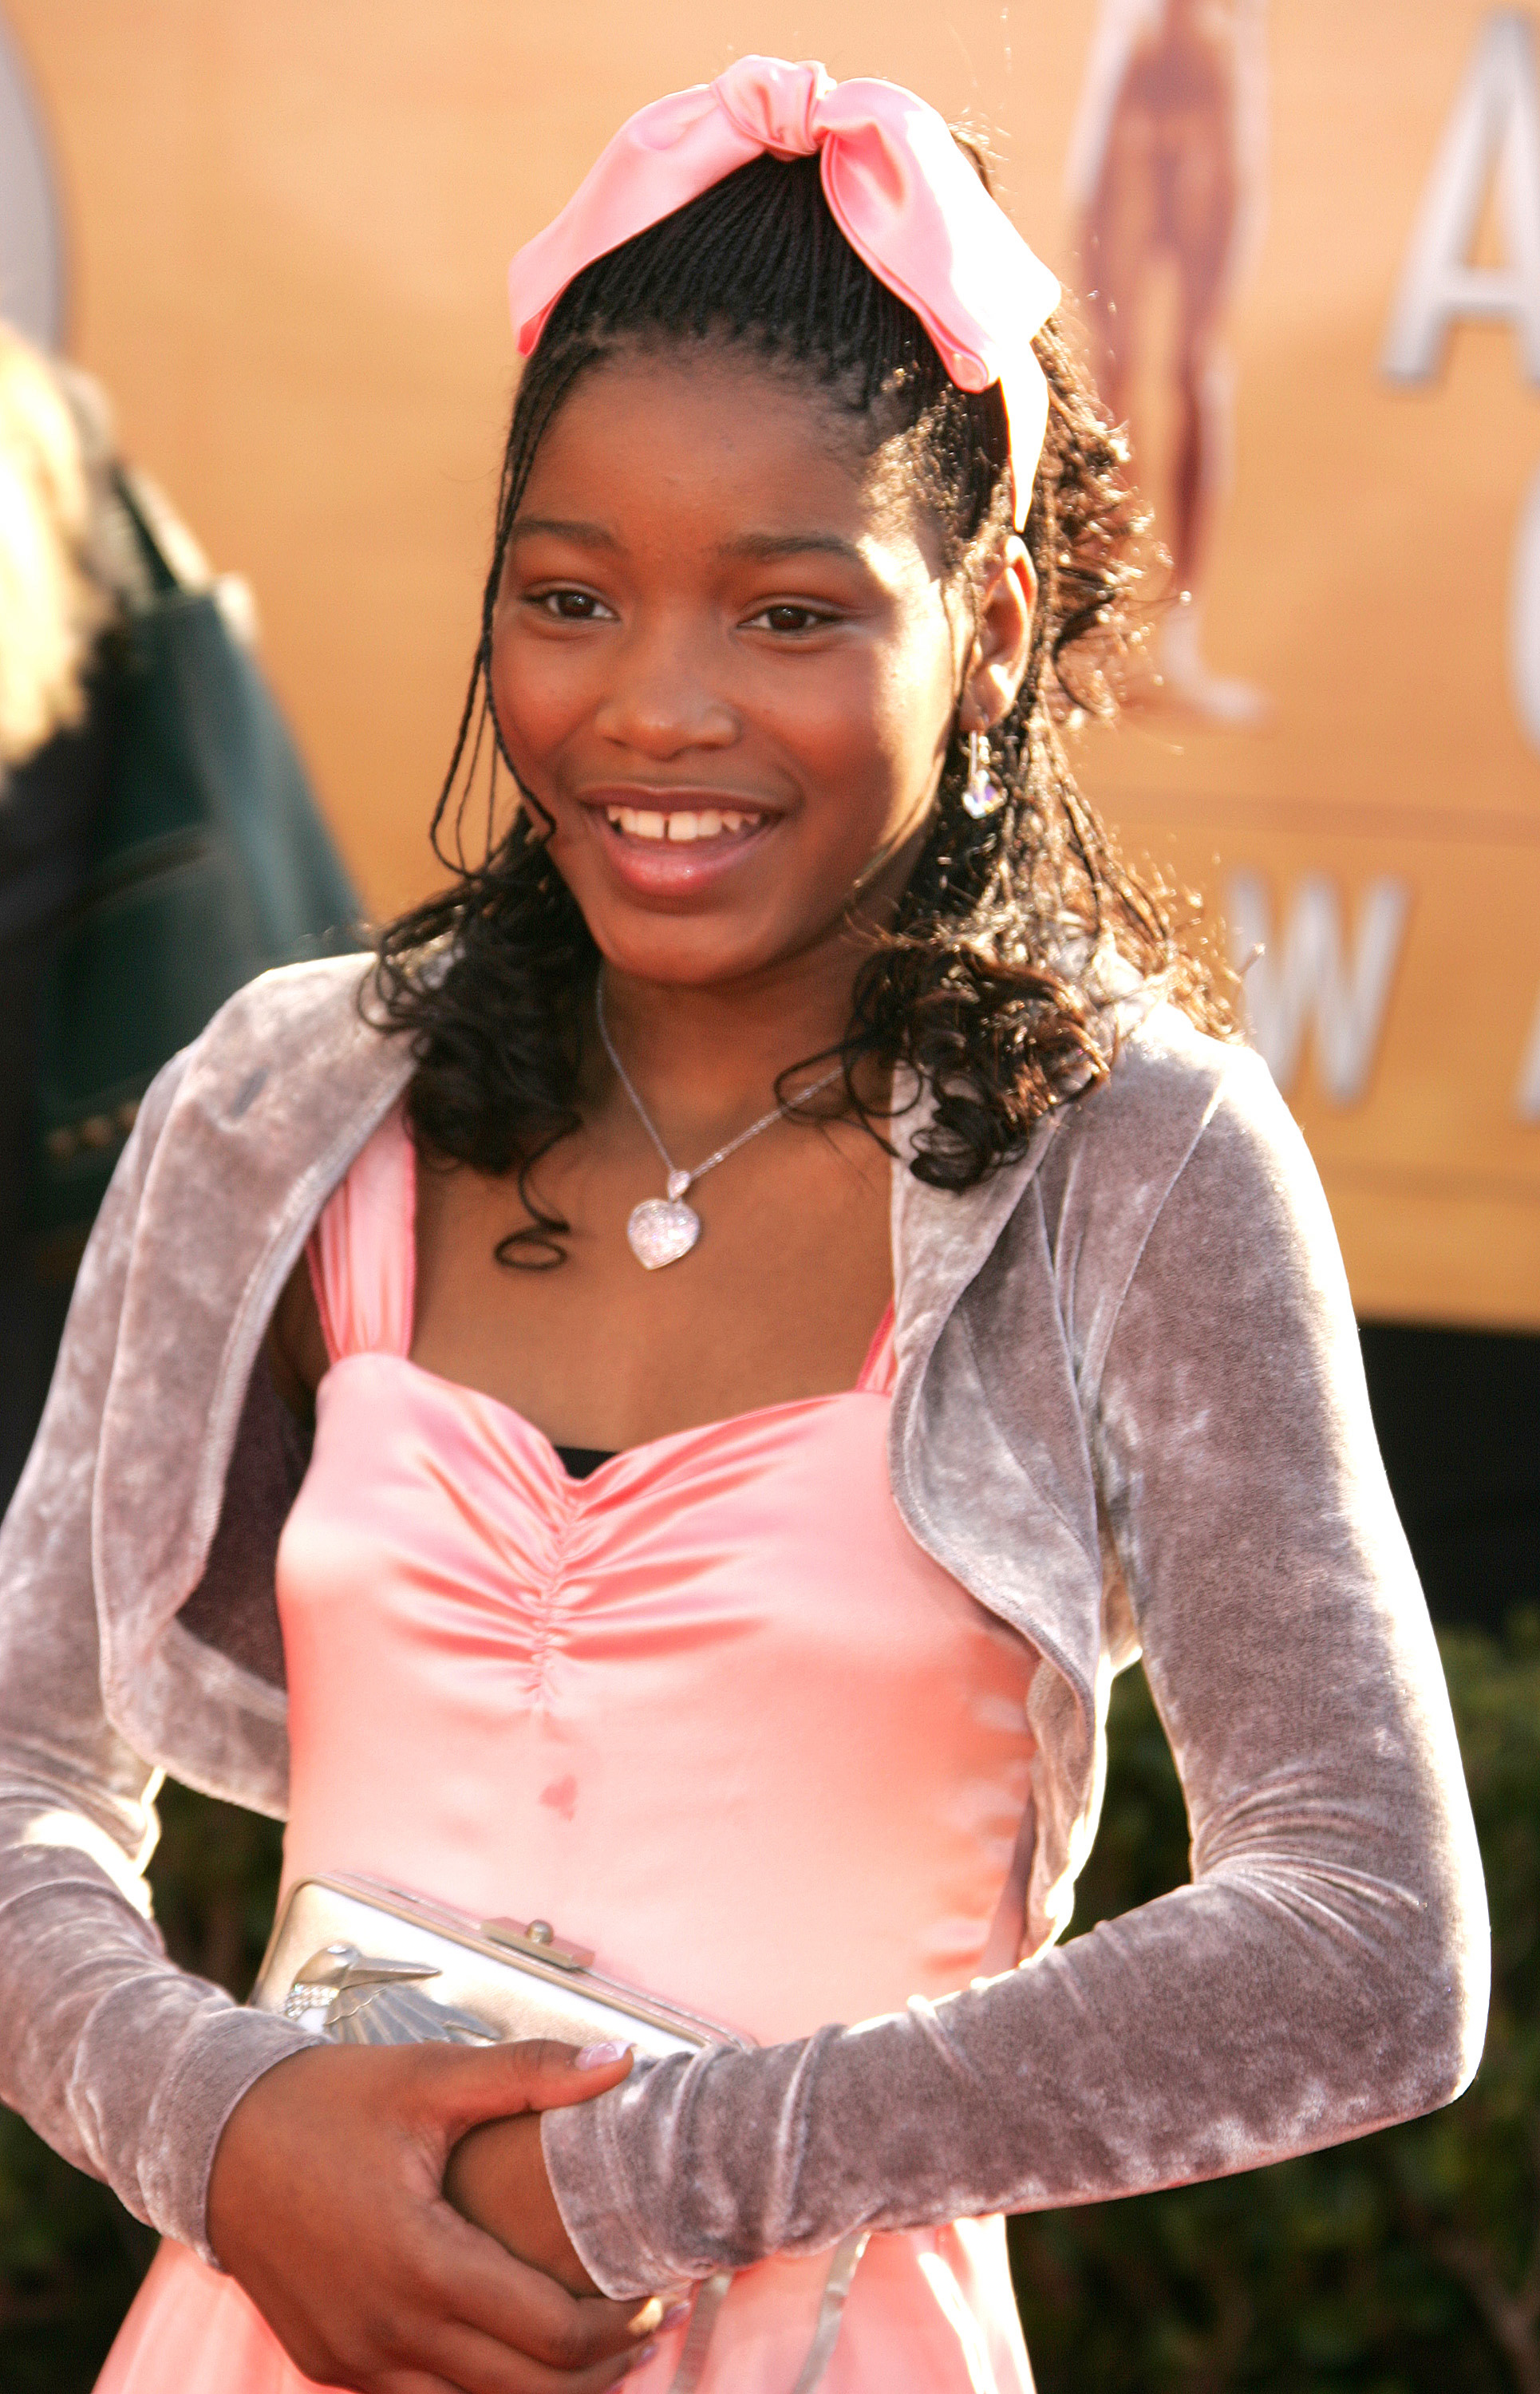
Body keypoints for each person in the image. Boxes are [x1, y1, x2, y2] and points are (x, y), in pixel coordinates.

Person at [0, 57, 1486, 2394]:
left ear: (988, 629)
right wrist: (229, 2127)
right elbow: (11, 1773)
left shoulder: (1132, 1161)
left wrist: (625, 2181)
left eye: (787, 615)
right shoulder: (289, 1103)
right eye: (571, 597)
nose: (652, 711)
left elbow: (1367, 1944)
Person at [1068, 0, 1269, 723]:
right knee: (1113, 367)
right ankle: (1096, 634)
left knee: (1195, 369)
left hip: (1216, 48)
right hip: (1136, 46)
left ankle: (1177, 646)